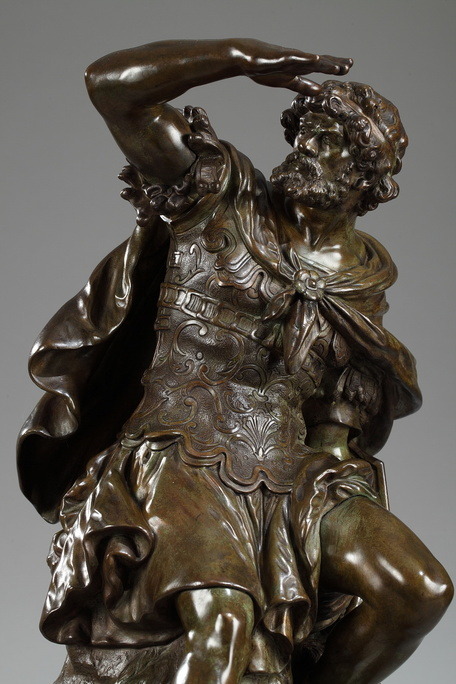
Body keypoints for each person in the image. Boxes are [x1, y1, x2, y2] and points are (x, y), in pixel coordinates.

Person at [18, 39, 452, 684]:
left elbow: (335, 417)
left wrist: (336, 483)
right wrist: (236, 59)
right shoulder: (220, 195)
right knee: (222, 629)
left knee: (418, 591)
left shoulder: (363, 279)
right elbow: (110, 87)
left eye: (331, 141)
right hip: (182, 455)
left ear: (369, 178)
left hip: (294, 472)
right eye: (305, 133)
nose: (306, 148)